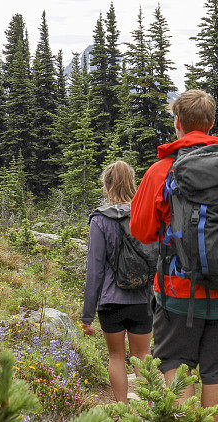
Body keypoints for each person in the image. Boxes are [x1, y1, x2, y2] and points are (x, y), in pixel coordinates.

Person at [130, 89, 218, 420]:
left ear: (177, 123)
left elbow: (141, 230)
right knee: (217, 374)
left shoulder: (162, 171)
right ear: (212, 123)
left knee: (176, 367)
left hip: (177, 293)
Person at [81, 161, 153, 403]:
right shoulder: (145, 214)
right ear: (132, 183)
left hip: (110, 301)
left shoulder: (99, 219)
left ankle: (122, 411)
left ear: (106, 184)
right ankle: (150, 408)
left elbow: (95, 270)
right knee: (143, 355)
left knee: (116, 356)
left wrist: (87, 315)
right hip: (142, 298)